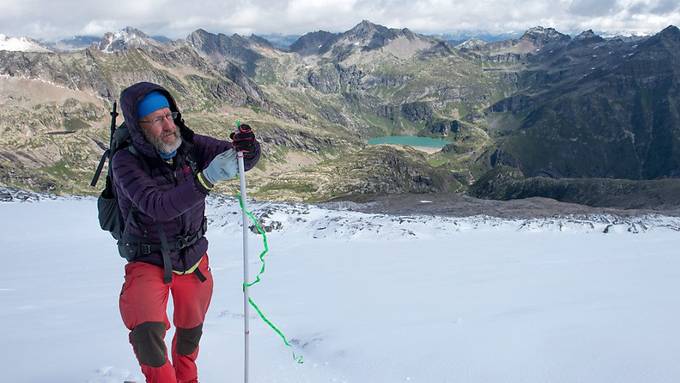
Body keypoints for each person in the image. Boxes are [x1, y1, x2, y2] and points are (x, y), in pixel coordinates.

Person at [112, 81, 260, 383]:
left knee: (190, 331)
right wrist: (206, 180)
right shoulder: (125, 161)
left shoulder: (189, 144)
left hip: (193, 257)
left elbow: (243, 160)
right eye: (156, 119)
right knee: (147, 332)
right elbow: (158, 206)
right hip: (147, 259)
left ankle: (187, 378)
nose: (168, 125)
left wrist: (249, 148)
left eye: (169, 115)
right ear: (139, 127)